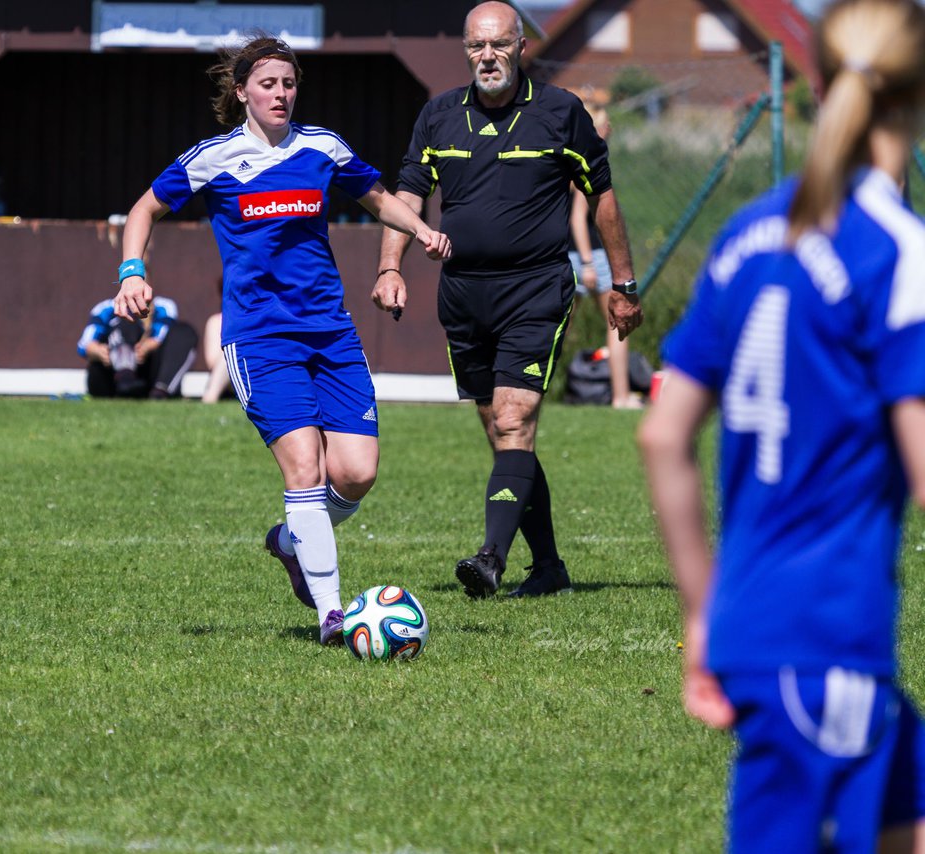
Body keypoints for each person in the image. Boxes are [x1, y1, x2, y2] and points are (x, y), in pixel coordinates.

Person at [638, 0, 925, 848]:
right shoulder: (896, 249)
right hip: (828, 636)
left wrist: (702, 615)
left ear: (819, 84)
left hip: (763, 624)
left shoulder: (749, 234)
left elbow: (663, 434)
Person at [113, 34, 451, 645]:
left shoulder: (323, 148)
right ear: (241, 91)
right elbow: (143, 210)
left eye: (289, 84)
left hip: (331, 333)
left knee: (355, 473)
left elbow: (378, 199)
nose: (281, 94)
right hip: (260, 338)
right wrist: (132, 271)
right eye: (268, 84)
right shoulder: (213, 158)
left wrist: (422, 230)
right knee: (304, 467)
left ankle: (291, 541)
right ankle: (331, 614)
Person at [375, 1, 643, 600]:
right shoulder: (438, 116)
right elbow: (408, 193)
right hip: (465, 296)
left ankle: (491, 557)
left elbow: (601, 197)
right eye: (476, 46)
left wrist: (623, 285)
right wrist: (390, 265)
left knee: (514, 418)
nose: (487, 56)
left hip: (536, 289)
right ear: (466, 50)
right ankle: (548, 568)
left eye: (498, 44)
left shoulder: (560, 112)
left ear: (521, 47)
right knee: (502, 436)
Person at [568, 102, 640, 410]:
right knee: (617, 324)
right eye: (606, 124)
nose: (610, 129)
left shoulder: (571, 161)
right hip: (589, 258)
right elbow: (577, 218)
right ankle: (621, 396)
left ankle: (531, 388)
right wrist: (586, 263)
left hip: (567, 256)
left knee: (553, 329)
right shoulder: (589, 165)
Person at [77, 295, 197, 399]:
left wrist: (148, 345)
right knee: (126, 317)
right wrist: (98, 351)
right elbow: (84, 344)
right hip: (110, 377)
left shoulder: (163, 306)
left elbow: (163, 333)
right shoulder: (107, 308)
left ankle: (161, 391)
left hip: (149, 374)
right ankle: (125, 377)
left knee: (184, 331)